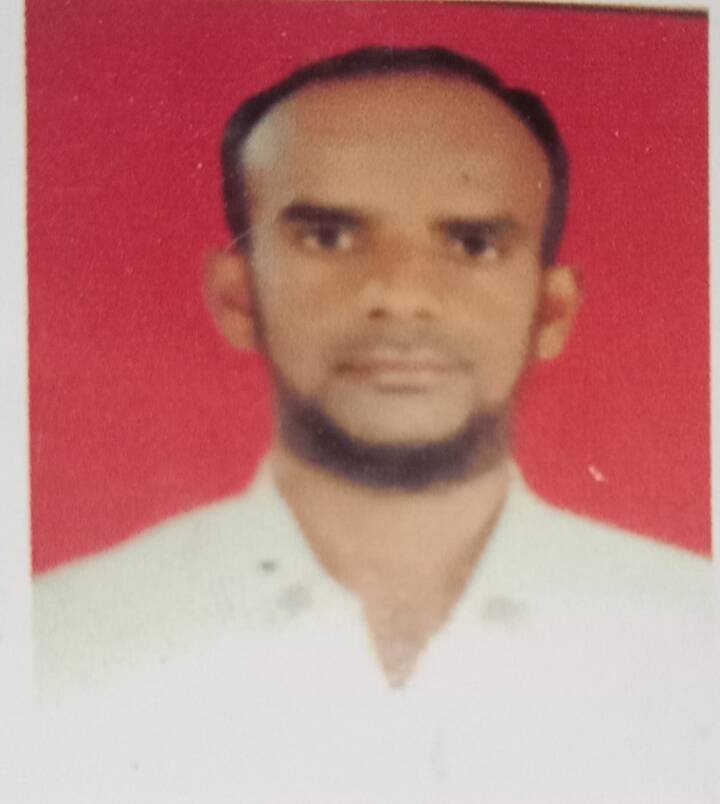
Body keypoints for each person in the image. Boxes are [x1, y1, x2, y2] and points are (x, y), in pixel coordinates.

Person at [33, 47, 714, 803]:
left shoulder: (696, 638)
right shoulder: (55, 639)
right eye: (329, 237)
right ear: (236, 297)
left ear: (552, 310)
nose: (401, 295)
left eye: (473, 244)